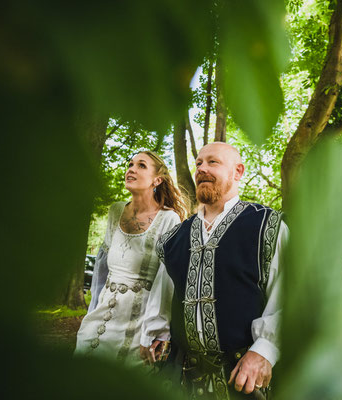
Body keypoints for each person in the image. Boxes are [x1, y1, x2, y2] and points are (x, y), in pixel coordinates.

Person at [140, 142, 288, 399]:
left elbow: (289, 294)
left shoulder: (267, 226)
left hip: (242, 380)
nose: (202, 169)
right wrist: (154, 335)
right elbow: (161, 298)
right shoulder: (174, 237)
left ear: (238, 172)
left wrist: (265, 350)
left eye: (213, 162)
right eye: (198, 163)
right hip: (181, 379)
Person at [74, 151, 186, 365]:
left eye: (141, 165)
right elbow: (101, 271)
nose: (131, 169)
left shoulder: (169, 219)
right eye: (130, 164)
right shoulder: (115, 211)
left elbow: (167, 281)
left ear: (157, 180)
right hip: (100, 319)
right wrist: (92, 312)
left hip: (139, 325)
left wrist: (158, 331)